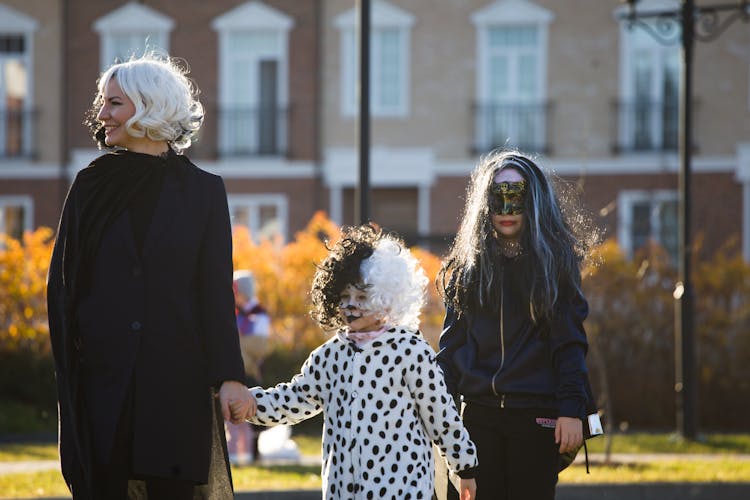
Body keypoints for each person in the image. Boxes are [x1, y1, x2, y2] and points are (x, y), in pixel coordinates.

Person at [46, 53, 253, 499]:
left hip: (176, 389)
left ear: (149, 106)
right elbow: (62, 292)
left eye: (114, 103)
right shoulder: (89, 186)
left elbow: (215, 294)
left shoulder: (204, 191)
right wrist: (74, 377)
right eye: (104, 103)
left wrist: (230, 377)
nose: (101, 114)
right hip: (103, 390)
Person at [233, 225, 478, 500]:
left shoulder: (409, 350)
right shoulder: (329, 356)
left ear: (386, 301)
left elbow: (440, 413)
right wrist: (250, 405)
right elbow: (294, 398)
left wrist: (464, 466)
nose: (351, 305)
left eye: (362, 298)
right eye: (345, 297)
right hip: (343, 490)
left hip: (401, 489)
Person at [436, 151, 597, 499]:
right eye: (498, 197)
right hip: (477, 419)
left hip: (537, 419)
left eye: (517, 196)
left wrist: (571, 411)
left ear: (534, 201)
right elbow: (449, 353)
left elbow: (569, 345)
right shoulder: (467, 272)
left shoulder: (554, 268)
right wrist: (438, 415)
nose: (507, 209)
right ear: (484, 203)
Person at [226, 270, 271, 465]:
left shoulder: (258, 313)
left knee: (252, 408)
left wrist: (240, 345)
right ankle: (235, 452)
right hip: (239, 366)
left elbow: (260, 345)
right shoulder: (235, 313)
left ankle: (253, 451)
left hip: (250, 369)